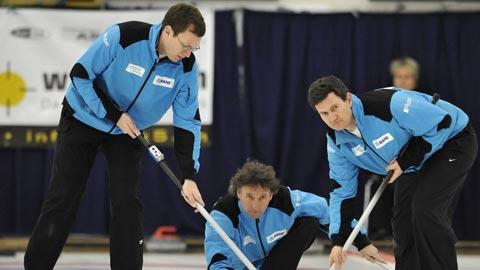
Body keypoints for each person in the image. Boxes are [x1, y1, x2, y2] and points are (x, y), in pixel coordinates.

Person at [24, 3, 205, 270]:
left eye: (195, 48)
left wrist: (188, 175)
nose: (189, 53)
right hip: (83, 118)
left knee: (126, 202)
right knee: (64, 196)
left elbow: (187, 121)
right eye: (186, 45)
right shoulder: (124, 37)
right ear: (168, 31)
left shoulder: (186, 68)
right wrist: (113, 114)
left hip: (126, 132)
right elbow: (80, 75)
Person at [307, 75, 477, 270]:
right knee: (402, 223)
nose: (332, 118)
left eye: (335, 108)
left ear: (348, 98)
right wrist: (339, 239)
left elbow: (443, 122)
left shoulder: (389, 104)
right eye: (324, 113)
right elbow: (341, 191)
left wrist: (406, 161)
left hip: (452, 141)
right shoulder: (337, 142)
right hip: (410, 158)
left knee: (425, 211)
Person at [204, 160, 383, 270]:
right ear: (238, 192)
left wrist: (361, 242)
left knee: (309, 221)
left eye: (262, 197)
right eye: (249, 196)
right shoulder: (223, 214)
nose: (255, 205)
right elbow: (217, 260)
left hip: (274, 262)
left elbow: (329, 211)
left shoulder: (286, 200)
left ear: (272, 195)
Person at [368, 56, 421, 240]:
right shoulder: (384, 101)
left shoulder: (422, 101)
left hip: (417, 159)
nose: (403, 81)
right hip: (390, 157)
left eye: (407, 77)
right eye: (399, 77)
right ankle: (383, 230)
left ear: (415, 79)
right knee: (378, 181)